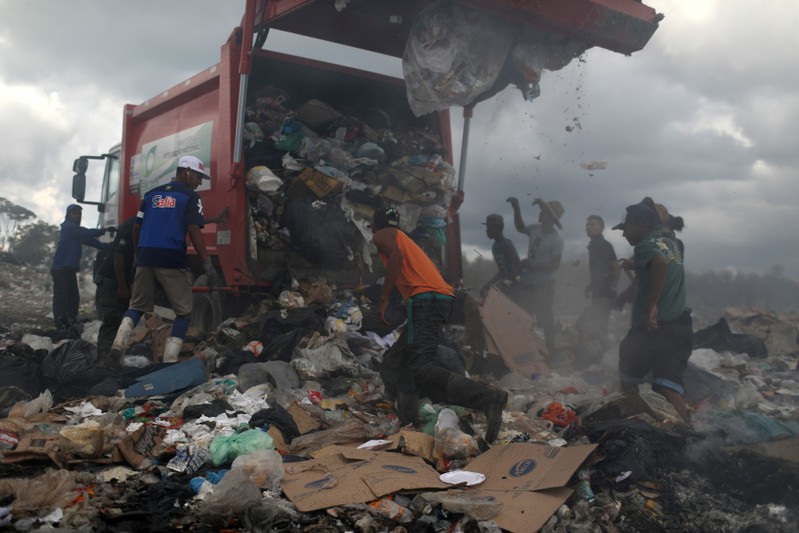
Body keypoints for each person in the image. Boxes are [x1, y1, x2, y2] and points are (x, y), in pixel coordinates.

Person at [371, 206, 508, 443]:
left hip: (426, 300)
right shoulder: (405, 239)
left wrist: (383, 300)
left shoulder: (382, 235)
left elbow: (396, 258)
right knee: (398, 359)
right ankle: (408, 421)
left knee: (421, 366)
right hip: (440, 299)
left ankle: (487, 398)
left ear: (374, 226)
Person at [109, 155, 218, 365]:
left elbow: (137, 227)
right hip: (171, 258)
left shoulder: (151, 195)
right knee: (184, 312)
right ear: (185, 172)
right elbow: (194, 230)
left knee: (137, 306)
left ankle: (117, 345)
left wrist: (139, 254)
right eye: (197, 176)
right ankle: (169, 360)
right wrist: (207, 263)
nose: (199, 182)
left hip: (146, 255)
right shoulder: (189, 197)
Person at [613, 203, 692, 421]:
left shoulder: (644, 245)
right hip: (680, 324)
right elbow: (662, 259)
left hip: (653, 326)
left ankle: (630, 417)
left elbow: (659, 263)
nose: (624, 234)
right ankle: (687, 432)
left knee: (628, 370)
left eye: (626, 229)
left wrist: (652, 305)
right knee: (667, 384)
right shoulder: (670, 243)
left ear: (640, 226)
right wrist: (636, 264)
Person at [506, 196, 564, 356]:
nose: (540, 214)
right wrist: (516, 208)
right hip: (527, 282)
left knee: (546, 319)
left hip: (545, 284)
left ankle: (552, 352)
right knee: (524, 315)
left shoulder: (556, 240)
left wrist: (535, 264)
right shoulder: (535, 229)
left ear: (550, 218)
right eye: (541, 210)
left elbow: (555, 264)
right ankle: (525, 349)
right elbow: (520, 227)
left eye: (543, 212)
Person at [51, 204, 113, 334]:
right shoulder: (68, 227)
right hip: (61, 268)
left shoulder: (76, 233)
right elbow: (87, 232)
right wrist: (104, 230)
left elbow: (92, 241)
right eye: (74, 213)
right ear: (68, 215)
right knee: (62, 298)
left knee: (73, 298)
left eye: (79, 213)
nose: (77, 216)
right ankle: (60, 325)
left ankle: (70, 322)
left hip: (68, 270)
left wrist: (110, 247)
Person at [575, 215, 619, 364]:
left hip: (603, 295)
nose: (589, 227)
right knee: (600, 329)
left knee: (584, 325)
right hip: (599, 293)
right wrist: (590, 286)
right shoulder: (594, 245)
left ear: (601, 228)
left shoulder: (603, 245)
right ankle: (608, 356)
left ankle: (581, 361)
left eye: (593, 225)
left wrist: (612, 288)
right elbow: (600, 271)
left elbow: (614, 267)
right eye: (587, 225)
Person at [95, 216, 137, 360]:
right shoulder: (129, 226)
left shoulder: (143, 224)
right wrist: (122, 286)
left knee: (120, 318)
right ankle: (103, 359)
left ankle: (111, 358)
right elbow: (118, 256)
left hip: (120, 279)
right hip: (111, 279)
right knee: (112, 319)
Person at [480, 213, 522, 298]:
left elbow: (518, 268)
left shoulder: (507, 245)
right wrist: (487, 285)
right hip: (507, 286)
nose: (487, 230)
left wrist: (505, 282)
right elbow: (502, 271)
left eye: (490, 227)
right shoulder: (495, 247)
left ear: (500, 227)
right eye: (487, 227)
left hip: (517, 288)